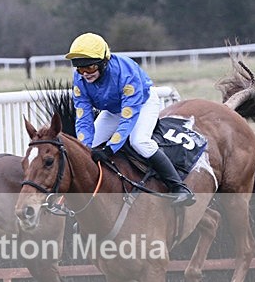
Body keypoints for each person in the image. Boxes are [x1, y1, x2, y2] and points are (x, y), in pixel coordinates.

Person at [66, 32, 194, 206]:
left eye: (90, 68)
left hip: (142, 104)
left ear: (104, 61)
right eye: (80, 68)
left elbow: (128, 117)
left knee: (139, 142)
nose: (85, 74)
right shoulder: (79, 80)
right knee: (86, 147)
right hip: (113, 110)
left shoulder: (125, 73)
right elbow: (84, 119)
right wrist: (85, 148)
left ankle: (178, 187)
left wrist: (110, 149)